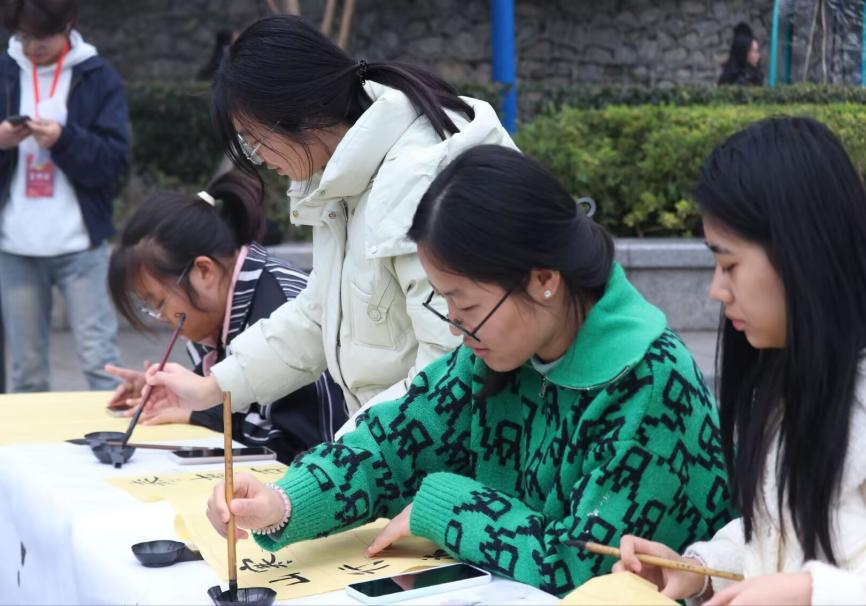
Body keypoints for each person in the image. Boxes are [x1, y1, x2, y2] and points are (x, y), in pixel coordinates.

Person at [203, 146, 735, 596]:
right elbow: (394, 444)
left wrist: (443, 506)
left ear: (544, 280)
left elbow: (589, 565)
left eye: (467, 304)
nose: (456, 325)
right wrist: (283, 502)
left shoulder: (649, 383)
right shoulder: (498, 351)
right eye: (445, 302)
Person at [143, 15, 514, 426]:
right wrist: (213, 388)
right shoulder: (344, 176)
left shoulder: (414, 181)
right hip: (401, 446)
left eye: (254, 141)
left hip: (448, 450)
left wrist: (343, 457)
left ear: (303, 111)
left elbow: (449, 369)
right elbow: (319, 314)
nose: (258, 159)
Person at [614, 117, 866, 605]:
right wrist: (698, 569)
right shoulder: (785, 384)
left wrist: (810, 592)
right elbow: (774, 534)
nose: (717, 289)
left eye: (729, 264)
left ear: (801, 252)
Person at [105, 170, 347, 464]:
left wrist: (201, 412)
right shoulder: (219, 309)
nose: (159, 317)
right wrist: (176, 392)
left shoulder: (286, 308)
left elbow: (305, 446)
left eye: (158, 302)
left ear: (204, 271)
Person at [0, 0, 129, 392]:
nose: (32, 47)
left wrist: (63, 140)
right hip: (14, 245)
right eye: (24, 36)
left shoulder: (97, 76)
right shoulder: (6, 70)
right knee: (26, 373)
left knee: (101, 364)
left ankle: (113, 431)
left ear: (68, 24)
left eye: (42, 36)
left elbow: (114, 163)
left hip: (80, 245)